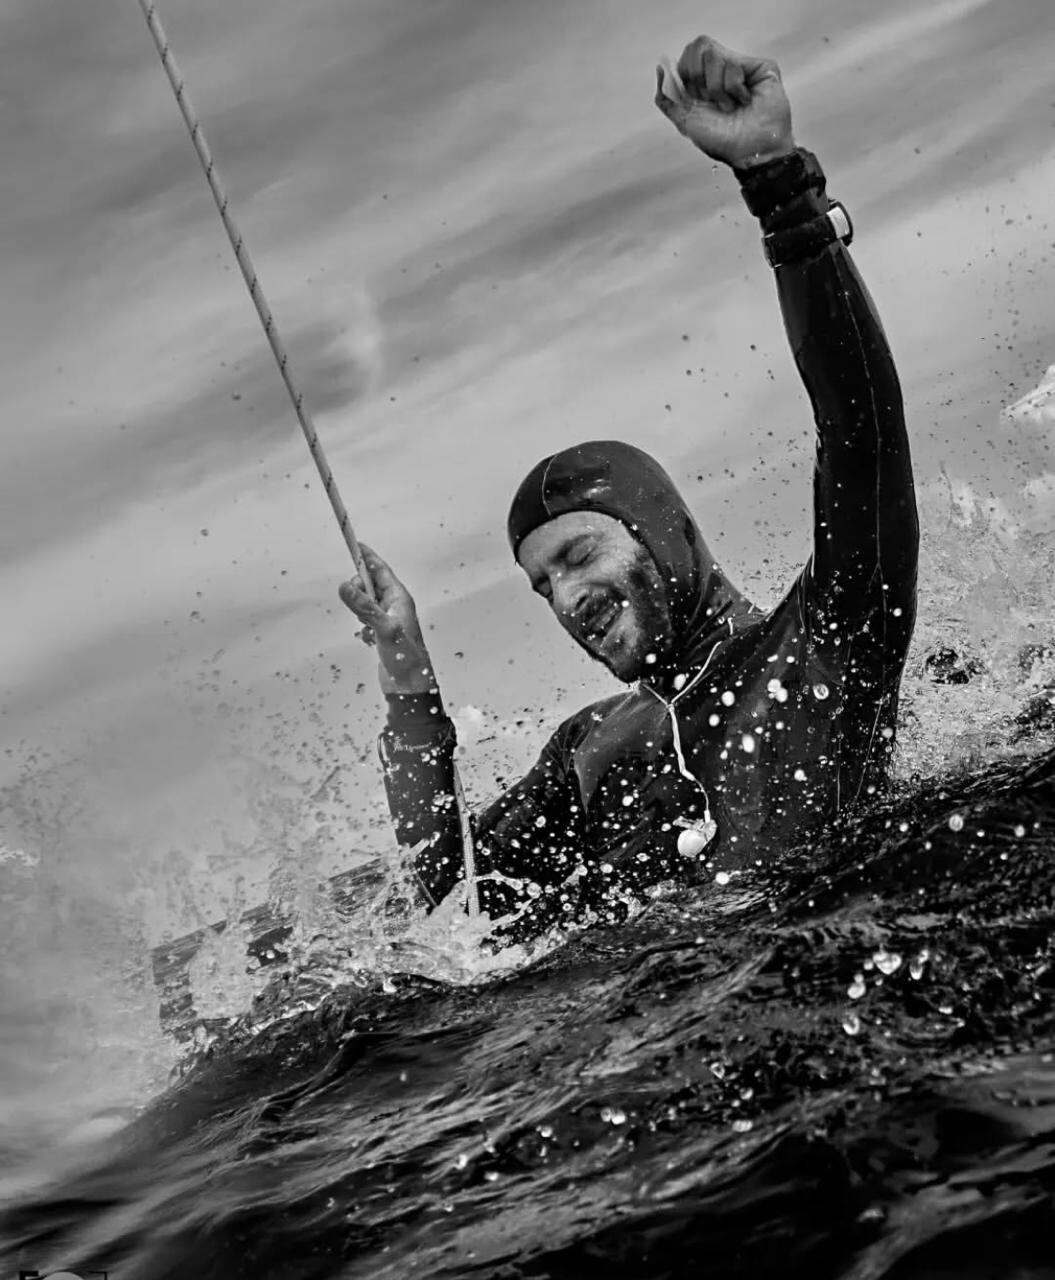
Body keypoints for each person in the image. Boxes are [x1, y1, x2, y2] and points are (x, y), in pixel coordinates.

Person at [339, 35, 919, 943]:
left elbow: (862, 431)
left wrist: (777, 183)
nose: (567, 598)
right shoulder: (590, 750)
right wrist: (407, 673)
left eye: (577, 554)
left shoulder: (826, 648)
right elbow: (451, 896)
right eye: (542, 586)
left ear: (661, 532)